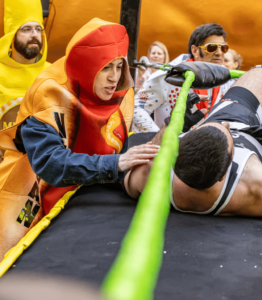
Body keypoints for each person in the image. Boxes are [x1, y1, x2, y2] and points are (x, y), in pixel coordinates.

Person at [0, 18, 159, 260]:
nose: (114, 78)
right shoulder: (49, 94)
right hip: (28, 198)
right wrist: (113, 165)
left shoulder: (121, 95)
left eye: (119, 67)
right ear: (86, 65)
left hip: (82, 204)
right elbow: (50, 164)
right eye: (105, 67)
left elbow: (120, 152)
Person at [125, 64, 262, 219]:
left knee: (261, 73)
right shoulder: (256, 188)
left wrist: (171, 126)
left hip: (232, 124)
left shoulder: (150, 174)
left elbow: (146, 154)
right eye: (226, 131)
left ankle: (257, 127)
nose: (225, 125)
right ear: (223, 174)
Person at [132, 23, 235, 133]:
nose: (219, 53)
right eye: (212, 47)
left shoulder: (227, 79)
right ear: (195, 51)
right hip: (173, 148)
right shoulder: (168, 76)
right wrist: (159, 139)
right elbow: (137, 109)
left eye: (223, 48)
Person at [0, 0, 51, 162]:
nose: (34, 35)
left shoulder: (54, 73)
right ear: (12, 34)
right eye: (26, 29)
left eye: (38, 29)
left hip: (45, 165)